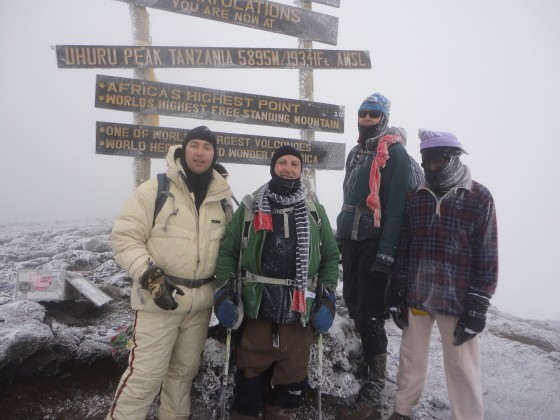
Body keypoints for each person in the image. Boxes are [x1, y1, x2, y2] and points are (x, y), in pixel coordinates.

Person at [107, 125, 233, 420]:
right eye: (194, 145)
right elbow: (125, 238)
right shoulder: (155, 189)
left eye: (207, 147)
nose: (200, 153)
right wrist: (150, 276)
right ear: (183, 150)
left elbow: (228, 251)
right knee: (145, 377)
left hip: (200, 306)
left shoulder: (223, 200)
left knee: (182, 376)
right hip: (158, 299)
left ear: (214, 154)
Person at [213, 145, 340, 419]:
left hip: (298, 321)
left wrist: (328, 297)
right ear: (273, 167)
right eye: (282, 162)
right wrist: (223, 292)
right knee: (247, 397)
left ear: (301, 170)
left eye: (295, 164)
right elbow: (228, 252)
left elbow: (330, 256)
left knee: (288, 398)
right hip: (256, 316)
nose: (288, 169)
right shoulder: (250, 208)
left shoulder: (314, 211)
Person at [386, 129, 498, 420]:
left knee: (462, 365)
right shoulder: (417, 197)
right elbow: (405, 246)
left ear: (455, 157)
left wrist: (478, 303)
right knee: (410, 359)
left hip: (457, 299)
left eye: (439, 160)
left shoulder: (479, 196)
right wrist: (397, 287)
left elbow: (487, 253)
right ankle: (402, 410)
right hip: (418, 294)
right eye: (427, 162)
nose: (432, 168)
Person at [336, 92, 418, 419]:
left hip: (374, 240)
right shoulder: (356, 152)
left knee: (371, 314)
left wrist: (386, 255)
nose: (367, 119)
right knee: (354, 304)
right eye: (363, 113)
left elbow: (396, 208)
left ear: (384, 118)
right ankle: (364, 370)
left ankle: (374, 388)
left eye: (373, 114)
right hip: (352, 240)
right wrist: (340, 237)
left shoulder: (394, 153)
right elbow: (347, 198)